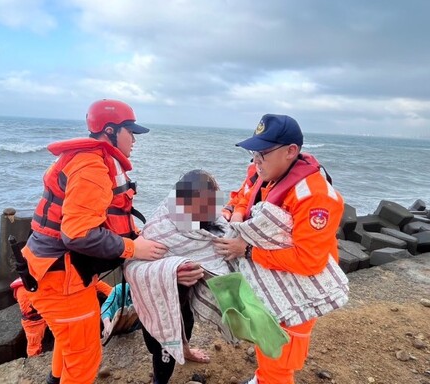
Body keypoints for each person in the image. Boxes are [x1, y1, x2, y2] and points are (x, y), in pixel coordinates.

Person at [21, 99, 168, 384]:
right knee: (85, 358)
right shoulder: (92, 166)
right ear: (111, 131)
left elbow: (98, 219)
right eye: (130, 131)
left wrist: (134, 236)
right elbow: (77, 233)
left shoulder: (88, 159)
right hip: (61, 281)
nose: (134, 139)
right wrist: (132, 248)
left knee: (68, 342)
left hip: (57, 272)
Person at [213, 114, 345, 384]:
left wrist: (246, 251)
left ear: (291, 151)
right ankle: (262, 377)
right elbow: (243, 194)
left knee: (280, 351)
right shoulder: (262, 171)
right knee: (264, 329)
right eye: (254, 152)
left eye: (263, 152)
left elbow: (309, 261)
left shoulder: (314, 197)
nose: (256, 160)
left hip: (301, 283)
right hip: (269, 273)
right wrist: (236, 213)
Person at [125, 169, 228, 384]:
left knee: (186, 322)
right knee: (162, 346)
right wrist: (172, 271)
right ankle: (159, 381)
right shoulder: (162, 227)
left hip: (183, 297)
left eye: (213, 200)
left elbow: (218, 246)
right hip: (159, 300)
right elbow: (134, 267)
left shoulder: (209, 220)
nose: (212, 207)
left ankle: (186, 350)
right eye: (207, 201)